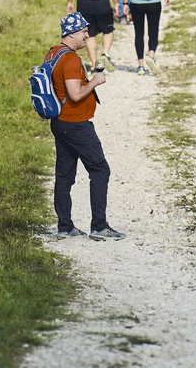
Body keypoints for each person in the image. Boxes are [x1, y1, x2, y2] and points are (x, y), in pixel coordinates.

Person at [47, 12, 126, 241]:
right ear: (71, 33)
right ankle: (99, 227)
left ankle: (65, 226)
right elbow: (74, 93)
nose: (87, 36)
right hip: (76, 124)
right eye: (83, 31)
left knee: (64, 176)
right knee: (100, 169)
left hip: (60, 122)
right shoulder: (70, 59)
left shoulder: (54, 53)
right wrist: (94, 81)